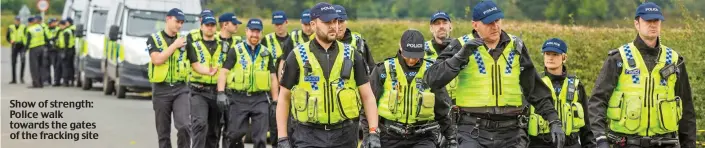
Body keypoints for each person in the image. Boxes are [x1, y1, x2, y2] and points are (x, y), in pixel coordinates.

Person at [424, 1, 565, 147]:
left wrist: (553, 119)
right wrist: (459, 57)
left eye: (497, 20)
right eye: (488, 23)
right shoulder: (461, 45)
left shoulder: (516, 46)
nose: (495, 26)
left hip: (512, 133)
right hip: (472, 132)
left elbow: (534, 89)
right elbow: (432, 79)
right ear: (475, 25)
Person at [588, 2, 696, 148]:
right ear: (637, 24)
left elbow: (686, 108)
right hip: (626, 143)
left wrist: (689, 144)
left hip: (666, 143)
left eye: (656, 21)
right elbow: (597, 101)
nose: (652, 25)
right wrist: (600, 138)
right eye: (648, 21)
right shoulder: (618, 58)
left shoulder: (674, 60)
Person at [275, 3, 380, 148]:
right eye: (327, 22)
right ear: (313, 24)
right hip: (307, 135)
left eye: (335, 21)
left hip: (345, 135)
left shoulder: (352, 54)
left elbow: (368, 96)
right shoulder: (297, 56)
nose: (333, 26)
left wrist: (373, 132)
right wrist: (282, 138)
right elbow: (284, 97)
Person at [368, 29, 457, 148]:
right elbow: (369, 104)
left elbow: (442, 108)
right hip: (388, 136)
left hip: (423, 137)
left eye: (416, 56)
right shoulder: (383, 70)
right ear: (400, 47)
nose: (411, 60)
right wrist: (370, 134)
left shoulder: (431, 71)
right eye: (408, 55)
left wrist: (451, 137)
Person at [217, 18, 279, 148]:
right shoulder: (235, 50)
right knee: (235, 135)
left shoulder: (266, 53)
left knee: (260, 138)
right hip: (239, 98)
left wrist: (275, 101)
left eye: (258, 32)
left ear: (261, 33)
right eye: (252, 31)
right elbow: (224, 72)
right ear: (246, 31)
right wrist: (221, 92)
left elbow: (273, 78)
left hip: (260, 99)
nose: (255, 35)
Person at [528, 38, 593, 148]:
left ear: (564, 58)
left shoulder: (576, 85)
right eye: (547, 54)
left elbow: (586, 126)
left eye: (555, 54)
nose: (550, 58)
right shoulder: (534, 84)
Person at [146, 8, 191, 148]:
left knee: (184, 126)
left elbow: (195, 64)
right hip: (161, 89)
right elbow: (157, 60)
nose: (180, 25)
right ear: (168, 19)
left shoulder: (185, 41)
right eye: (177, 21)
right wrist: (174, 46)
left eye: (182, 23)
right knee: (163, 133)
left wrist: (209, 72)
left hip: (180, 89)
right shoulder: (154, 39)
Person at [187, 14, 223, 148]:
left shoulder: (223, 46)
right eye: (207, 25)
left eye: (212, 25)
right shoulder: (193, 46)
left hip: (217, 92)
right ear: (201, 27)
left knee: (214, 131)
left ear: (216, 28)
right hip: (198, 90)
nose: (210, 28)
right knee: (200, 124)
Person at [333, 5, 374, 74]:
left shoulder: (358, 42)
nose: (339, 26)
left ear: (346, 22)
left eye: (341, 21)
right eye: (335, 22)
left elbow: (371, 68)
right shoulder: (323, 43)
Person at [25, 16, 50, 88]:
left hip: (34, 49)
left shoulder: (30, 29)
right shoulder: (40, 27)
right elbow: (46, 38)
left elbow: (28, 41)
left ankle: (36, 83)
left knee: (34, 67)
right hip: (42, 48)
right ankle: (41, 83)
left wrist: (25, 50)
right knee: (41, 66)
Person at [55, 20, 76, 86]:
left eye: (60, 25)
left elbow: (66, 43)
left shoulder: (67, 32)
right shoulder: (61, 31)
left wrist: (64, 53)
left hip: (67, 51)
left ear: (63, 25)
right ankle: (58, 81)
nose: (59, 26)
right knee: (59, 66)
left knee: (65, 67)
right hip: (61, 50)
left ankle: (66, 81)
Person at [7, 16, 27, 84]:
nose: (17, 21)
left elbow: (26, 36)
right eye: (16, 20)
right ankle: (14, 79)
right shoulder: (10, 27)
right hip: (14, 46)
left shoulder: (24, 27)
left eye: (18, 20)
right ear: (14, 21)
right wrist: (10, 41)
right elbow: (7, 37)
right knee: (13, 63)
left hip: (22, 46)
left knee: (23, 61)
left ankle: (21, 78)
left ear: (20, 21)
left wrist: (25, 46)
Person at [43, 18, 60, 85]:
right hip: (47, 49)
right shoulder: (45, 29)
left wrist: (53, 41)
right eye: (52, 22)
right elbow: (44, 38)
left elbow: (58, 38)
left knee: (55, 66)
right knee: (46, 66)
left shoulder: (58, 29)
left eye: (54, 22)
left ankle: (56, 80)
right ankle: (47, 80)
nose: (53, 24)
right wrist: (48, 42)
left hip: (55, 50)